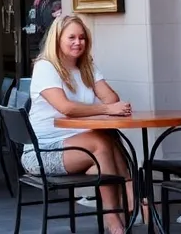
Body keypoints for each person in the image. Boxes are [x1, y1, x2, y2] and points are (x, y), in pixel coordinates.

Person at [23, 15, 132, 234]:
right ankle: (116, 219)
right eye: (71, 37)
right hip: (41, 153)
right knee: (100, 141)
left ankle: (134, 206)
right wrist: (105, 110)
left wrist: (99, 89)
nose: (77, 42)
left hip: (76, 149)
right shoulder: (46, 67)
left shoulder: (86, 66)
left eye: (82, 37)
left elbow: (112, 99)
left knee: (109, 138)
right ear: (57, 39)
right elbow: (66, 108)